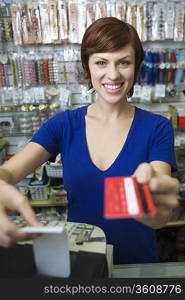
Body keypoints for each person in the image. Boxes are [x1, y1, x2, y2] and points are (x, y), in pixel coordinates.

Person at [0, 17, 179, 264]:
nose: (113, 74)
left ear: (136, 66)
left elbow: (159, 205)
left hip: (137, 268)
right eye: (101, 62)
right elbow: (7, 173)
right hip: (80, 264)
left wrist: (155, 209)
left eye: (124, 62)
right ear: (88, 66)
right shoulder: (63, 125)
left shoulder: (157, 127)